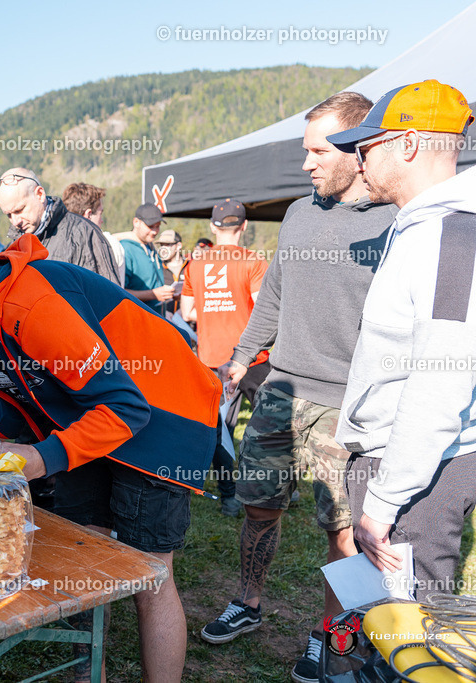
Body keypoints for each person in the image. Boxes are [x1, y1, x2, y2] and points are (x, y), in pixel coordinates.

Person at [0, 236, 222, 682]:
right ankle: (90, 675)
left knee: (151, 577)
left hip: (163, 413)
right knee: (83, 558)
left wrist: (39, 457)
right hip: (92, 416)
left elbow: (128, 406)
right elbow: (39, 394)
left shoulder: (29, 305)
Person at [200, 92, 398, 683]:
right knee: (258, 506)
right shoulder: (298, 212)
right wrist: (241, 357)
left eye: (318, 151)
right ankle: (248, 602)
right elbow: (275, 296)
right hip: (280, 393)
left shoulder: (395, 219)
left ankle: (328, 634)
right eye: (304, 150)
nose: (306, 163)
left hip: (348, 405)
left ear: (357, 147)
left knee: (343, 531)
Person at [326, 80, 476, 604]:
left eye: (366, 148)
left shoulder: (449, 237)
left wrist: (384, 502)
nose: (358, 163)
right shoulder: (421, 227)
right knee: (383, 624)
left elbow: (440, 384)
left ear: (408, 144)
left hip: (419, 477)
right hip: (405, 466)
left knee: (411, 630)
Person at [180, 201, 269, 517]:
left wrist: (212, 312)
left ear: (212, 227)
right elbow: (263, 312)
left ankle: (229, 496)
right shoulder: (254, 261)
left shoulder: (195, 263)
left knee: (219, 429)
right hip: (253, 357)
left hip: (212, 358)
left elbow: (187, 312)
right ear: (243, 226)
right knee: (270, 422)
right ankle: (276, 487)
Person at [0, 168, 121, 284]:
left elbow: (109, 294)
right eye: (8, 215)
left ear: (40, 194)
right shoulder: (12, 250)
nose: (15, 221)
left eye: (19, 210)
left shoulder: (86, 234)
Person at [112, 203, 175, 314]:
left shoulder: (151, 248)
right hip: (136, 319)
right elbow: (118, 291)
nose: (155, 231)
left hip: (156, 317)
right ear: (136, 222)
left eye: (158, 226)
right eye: (150, 226)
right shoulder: (125, 249)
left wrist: (168, 295)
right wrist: (153, 294)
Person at [61, 182, 126, 276]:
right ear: (89, 214)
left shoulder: (53, 240)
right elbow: (116, 284)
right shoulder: (110, 244)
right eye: (100, 214)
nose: (102, 220)